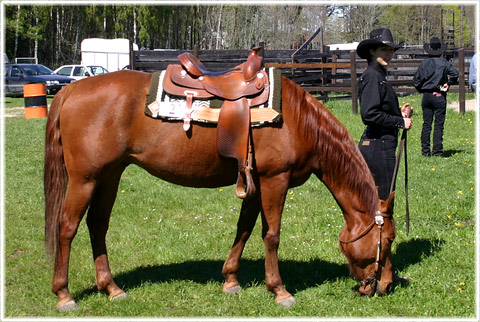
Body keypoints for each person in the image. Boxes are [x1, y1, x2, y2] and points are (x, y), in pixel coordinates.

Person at [356, 28, 413, 201]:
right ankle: (378, 228)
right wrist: (399, 122)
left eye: (391, 50)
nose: (389, 54)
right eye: (383, 50)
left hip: (380, 142)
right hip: (378, 145)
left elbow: (379, 109)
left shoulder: (378, 75)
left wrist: (399, 114)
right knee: (383, 200)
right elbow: (370, 114)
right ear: (372, 51)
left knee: (381, 197)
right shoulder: (373, 76)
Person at [413, 37, 458, 157]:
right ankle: (437, 151)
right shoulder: (443, 63)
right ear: (440, 50)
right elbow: (455, 73)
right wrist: (448, 83)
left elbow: (416, 81)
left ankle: (425, 151)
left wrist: (422, 90)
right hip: (439, 95)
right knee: (438, 124)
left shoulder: (424, 64)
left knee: (426, 124)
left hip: (427, 96)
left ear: (429, 50)